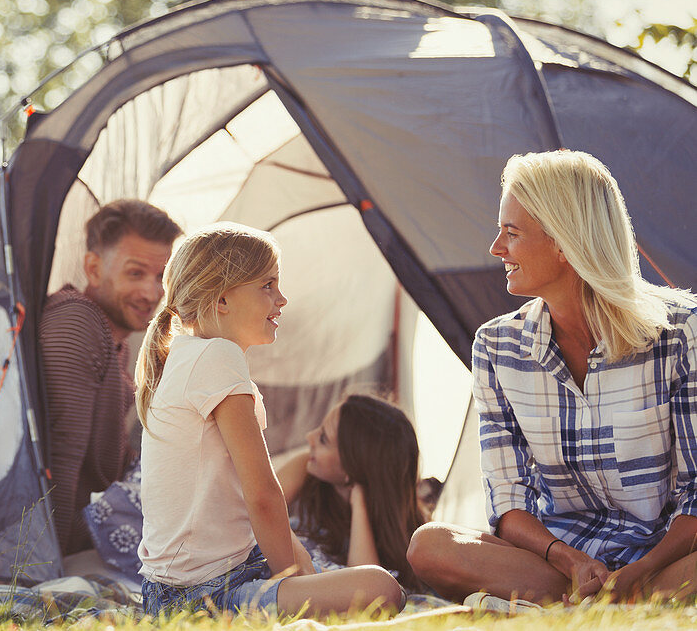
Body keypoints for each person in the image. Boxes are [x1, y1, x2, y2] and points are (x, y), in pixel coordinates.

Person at [407, 150, 697, 605]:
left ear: (564, 243)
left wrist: (643, 568)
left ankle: (626, 595)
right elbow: (508, 501)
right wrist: (571, 561)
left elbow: (695, 493)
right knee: (431, 546)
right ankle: (610, 598)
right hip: (558, 563)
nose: (496, 248)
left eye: (512, 233)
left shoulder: (680, 332)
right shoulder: (497, 347)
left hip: (665, 556)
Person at [135, 223, 405, 617]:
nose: (282, 299)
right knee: (381, 587)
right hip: (203, 597)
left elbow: (259, 507)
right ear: (222, 298)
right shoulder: (216, 357)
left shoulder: (187, 357)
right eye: (267, 286)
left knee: (331, 570)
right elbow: (261, 494)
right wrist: (294, 583)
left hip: (176, 591)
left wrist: (305, 575)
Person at [40, 199, 182, 556]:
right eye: (135, 273)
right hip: (69, 539)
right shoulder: (77, 323)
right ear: (93, 268)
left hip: (96, 526)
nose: (152, 294)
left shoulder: (117, 341)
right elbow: (60, 455)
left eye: (160, 278)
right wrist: (42, 569)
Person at [275, 394, 427, 592]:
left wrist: (359, 503)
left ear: (350, 467)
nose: (309, 437)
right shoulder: (305, 466)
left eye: (323, 439)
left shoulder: (401, 532)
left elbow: (365, 587)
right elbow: (259, 513)